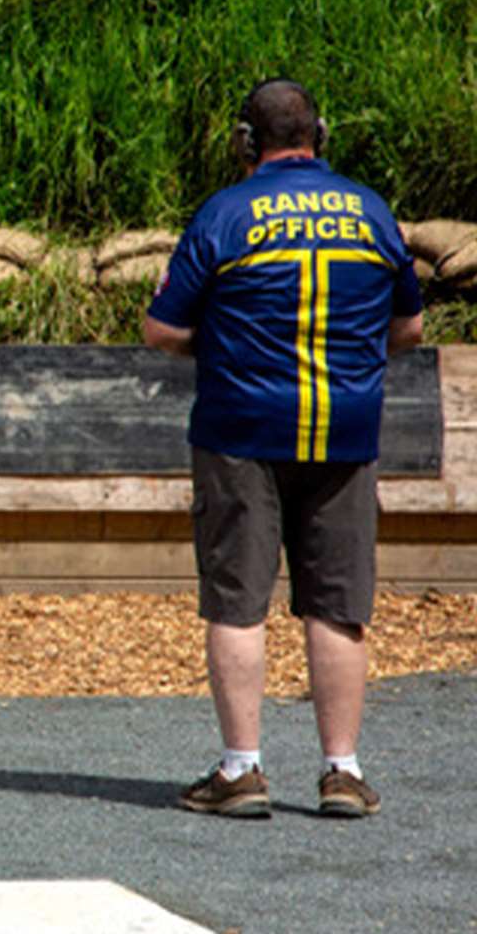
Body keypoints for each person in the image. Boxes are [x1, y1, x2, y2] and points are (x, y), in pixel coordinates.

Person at [144, 78, 425, 818]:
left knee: (238, 602)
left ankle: (242, 770)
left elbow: (163, 330)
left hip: (241, 430)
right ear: (320, 134)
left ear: (245, 141)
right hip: (345, 428)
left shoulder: (226, 213)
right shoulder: (371, 211)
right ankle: (342, 771)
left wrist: (227, 343)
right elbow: (410, 328)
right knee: (337, 605)